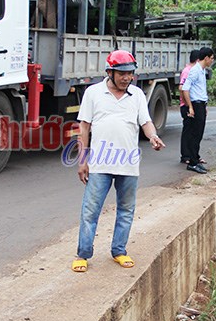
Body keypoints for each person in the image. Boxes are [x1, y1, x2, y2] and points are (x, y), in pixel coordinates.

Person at [71, 50, 166, 273]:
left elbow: (146, 122)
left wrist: (152, 136)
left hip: (129, 164)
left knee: (126, 210)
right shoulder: (94, 93)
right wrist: (83, 160)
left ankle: (119, 251)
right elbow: (84, 127)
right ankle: (83, 254)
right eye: (122, 73)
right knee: (90, 211)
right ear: (110, 72)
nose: (127, 78)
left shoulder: (138, 95)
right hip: (100, 163)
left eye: (130, 74)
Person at [181, 46, 214, 174]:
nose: (212, 61)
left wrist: (204, 106)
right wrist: (190, 106)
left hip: (201, 104)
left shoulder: (201, 70)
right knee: (195, 134)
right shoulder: (195, 71)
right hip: (195, 104)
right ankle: (193, 163)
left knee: (199, 134)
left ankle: (195, 159)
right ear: (206, 58)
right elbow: (185, 88)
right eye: (211, 58)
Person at [179, 49, 203, 165]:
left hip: (191, 105)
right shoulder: (188, 71)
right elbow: (182, 88)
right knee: (188, 131)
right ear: (198, 60)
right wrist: (188, 106)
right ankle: (185, 156)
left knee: (193, 131)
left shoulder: (195, 70)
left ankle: (194, 156)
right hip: (187, 105)